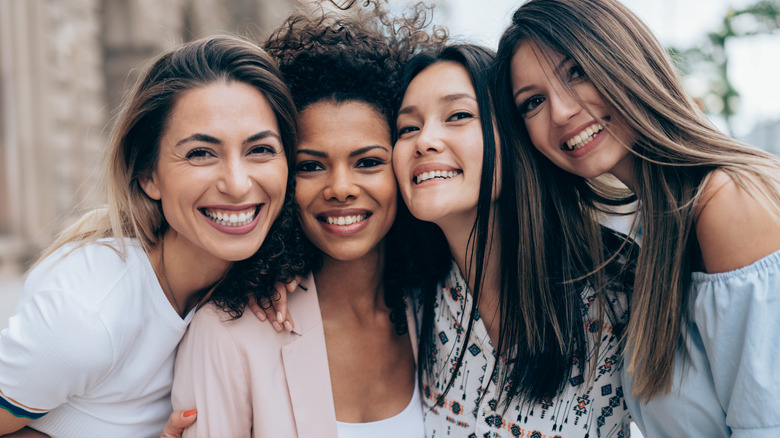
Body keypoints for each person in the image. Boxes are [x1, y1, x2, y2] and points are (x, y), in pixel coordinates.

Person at [496, 0, 780, 436]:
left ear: (623, 59)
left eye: (577, 71)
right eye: (533, 101)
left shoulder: (728, 203)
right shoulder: (657, 224)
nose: (561, 111)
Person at [0, 35, 306, 437]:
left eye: (261, 150)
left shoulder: (251, 275)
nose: (236, 183)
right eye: (201, 153)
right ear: (148, 176)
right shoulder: (87, 317)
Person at [170, 5, 433, 437]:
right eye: (311, 166)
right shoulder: (228, 334)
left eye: (368, 162)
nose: (341, 188)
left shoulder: (434, 310)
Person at [394, 43, 636, 437]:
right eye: (408, 128)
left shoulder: (620, 284)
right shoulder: (410, 300)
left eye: (457, 115)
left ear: (514, 138)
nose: (425, 141)